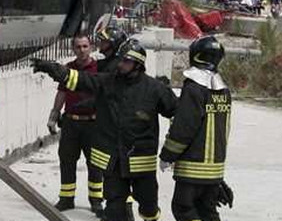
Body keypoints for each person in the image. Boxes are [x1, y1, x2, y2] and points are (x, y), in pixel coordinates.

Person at [32, 41, 177, 221]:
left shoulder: (155, 89)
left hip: (141, 162)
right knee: (115, 208)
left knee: (148, 208)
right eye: (120, 60)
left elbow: (178, 113)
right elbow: (80, 79)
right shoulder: (108, 81)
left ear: (138, 65)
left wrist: (173, 147)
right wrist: (53, 69)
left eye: (126, 61)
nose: (120, 64)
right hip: (114, 161)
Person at [161, 36, 235, 221]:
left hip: (192, 167)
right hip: (215, 168)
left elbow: (185, 126)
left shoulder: (194, 87)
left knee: (183, 208)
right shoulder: (223, 90)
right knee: (207, 211)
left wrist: (168, 155)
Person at [47, 35, 105, 215]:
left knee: (95, 163)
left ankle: (96, 200)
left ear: (91, 47)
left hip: (93, 123)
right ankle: (66, 198)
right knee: (67, 160)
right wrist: (54, 114)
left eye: (85, 46)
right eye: (78, 47)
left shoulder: (99, 68)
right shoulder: (68, 69)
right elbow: (62, 93)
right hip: (71, 122)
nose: (82, 50)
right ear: (73, 49)